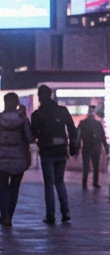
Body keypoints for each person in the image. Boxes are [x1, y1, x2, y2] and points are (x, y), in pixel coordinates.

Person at [31, 84, 79, 224]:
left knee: (49, 184)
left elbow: (33, 134)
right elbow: (72, 129)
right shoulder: (62, 110)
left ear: (40, 97)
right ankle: (66, 212)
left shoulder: (37, 114)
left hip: (46, 151)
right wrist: (72, 145)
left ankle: (50, 215)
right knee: (59, 181)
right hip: (61, 150)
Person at [0, 93, 33, 227]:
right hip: (19, 159)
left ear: (5, 102)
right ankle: (10, 216)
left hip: (2, 158)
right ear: (17, 103)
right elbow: (30, 138)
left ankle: (4, 215)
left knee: (3, 188)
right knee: (14, 189)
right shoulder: (23, 120)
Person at [78, 109, 108, 190]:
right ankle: (95, 183)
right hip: (95, 148)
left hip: (87, 147)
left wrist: (77, 147)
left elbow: (78, 136)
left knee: (86, 166)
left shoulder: (83, 123)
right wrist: (106, 146)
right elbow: (102, 136)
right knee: (96, 166)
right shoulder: (97, 124)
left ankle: (85, 183)